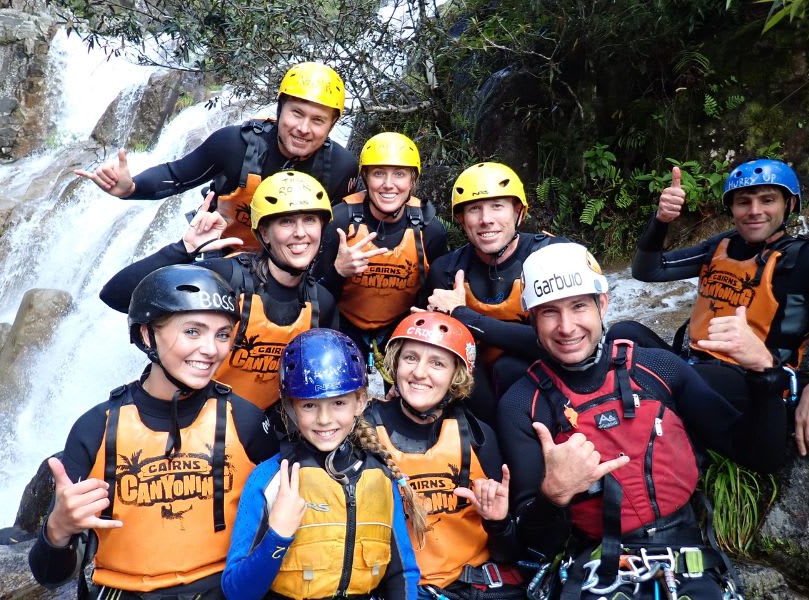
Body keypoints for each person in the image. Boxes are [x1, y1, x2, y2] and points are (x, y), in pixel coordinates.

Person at [498, 242, 790, 599]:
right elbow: (530, 546)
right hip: (595, 564)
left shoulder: (659, 370)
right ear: (532, 319)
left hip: (687, 556)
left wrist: (765, 374)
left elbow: (760, 455)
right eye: (549, 313)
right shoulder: (523, 404)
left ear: (601, 304)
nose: (566, 327)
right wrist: (553, 495)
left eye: (578, 307)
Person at [28, 264, 279, 598]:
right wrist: (58, 528)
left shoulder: (247, 422)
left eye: (222, 334)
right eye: (193, 331)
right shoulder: (95, 429)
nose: (211, 349)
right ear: (147, 334)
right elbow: (48, 574)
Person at [622, 158, 809, 458]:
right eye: (743, 202)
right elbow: (649, 270)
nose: (754, 211)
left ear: (789, 205)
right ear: (732, 208)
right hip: (694, 365)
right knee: (623, 333)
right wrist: (660, 221)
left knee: (666, 374)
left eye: (768, 200)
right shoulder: (721, 246)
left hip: (755, 383)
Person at [100, 170, 339, 417]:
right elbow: (116, 295)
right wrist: (184, 249)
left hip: (254, 432)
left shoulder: (322, 302)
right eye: (286, 222)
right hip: (185, 419)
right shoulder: (224, 277)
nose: (300, 232)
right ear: (264, 233)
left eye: (309, 220)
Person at [221, 328, 423, 600]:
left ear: (360, 401)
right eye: (309, 406)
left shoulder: (381, 477)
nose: (325, 419)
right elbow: (237, 592)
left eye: (338, 402)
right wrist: (278, 535)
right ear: (291, 407)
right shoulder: (270, 479)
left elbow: (403, 574)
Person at [76, 61, 359, 251]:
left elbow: (340, 232)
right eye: (296, 113)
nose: (303, 128)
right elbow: (176, 175)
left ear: (332, 126)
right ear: (279, 110)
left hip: (290, 271)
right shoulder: (235, 144)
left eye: (318, 120)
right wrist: (132, 188)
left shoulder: (341, 168)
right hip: (219, 253)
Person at [367, 312, 523, 600]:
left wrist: (499, 522)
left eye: (437, 363)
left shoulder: (479, 437)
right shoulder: (364, 431)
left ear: (456, 376)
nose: (419, 373)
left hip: (469, 586)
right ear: (395, 363)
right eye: (410, 358)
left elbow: (509, 552)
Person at [422, 162, 569, 422]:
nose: (485, 219)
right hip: (476, 391)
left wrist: (462, 315)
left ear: (518, 212)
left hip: (549, 380)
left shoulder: (552, 256)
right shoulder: (445, 270)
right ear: (461, 219)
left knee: (508, 367)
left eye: (497, 206)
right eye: (474, 209)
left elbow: (558, 343)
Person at [316, 132, 449, 360]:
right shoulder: (339, 221)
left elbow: (431, 296)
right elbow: (314, 293)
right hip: (344, 322)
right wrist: (337, 271)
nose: (389, 185)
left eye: (399, 174)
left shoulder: (430, 231)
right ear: (365, 178)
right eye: (378, 174)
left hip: (401, 325)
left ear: (412, 181)